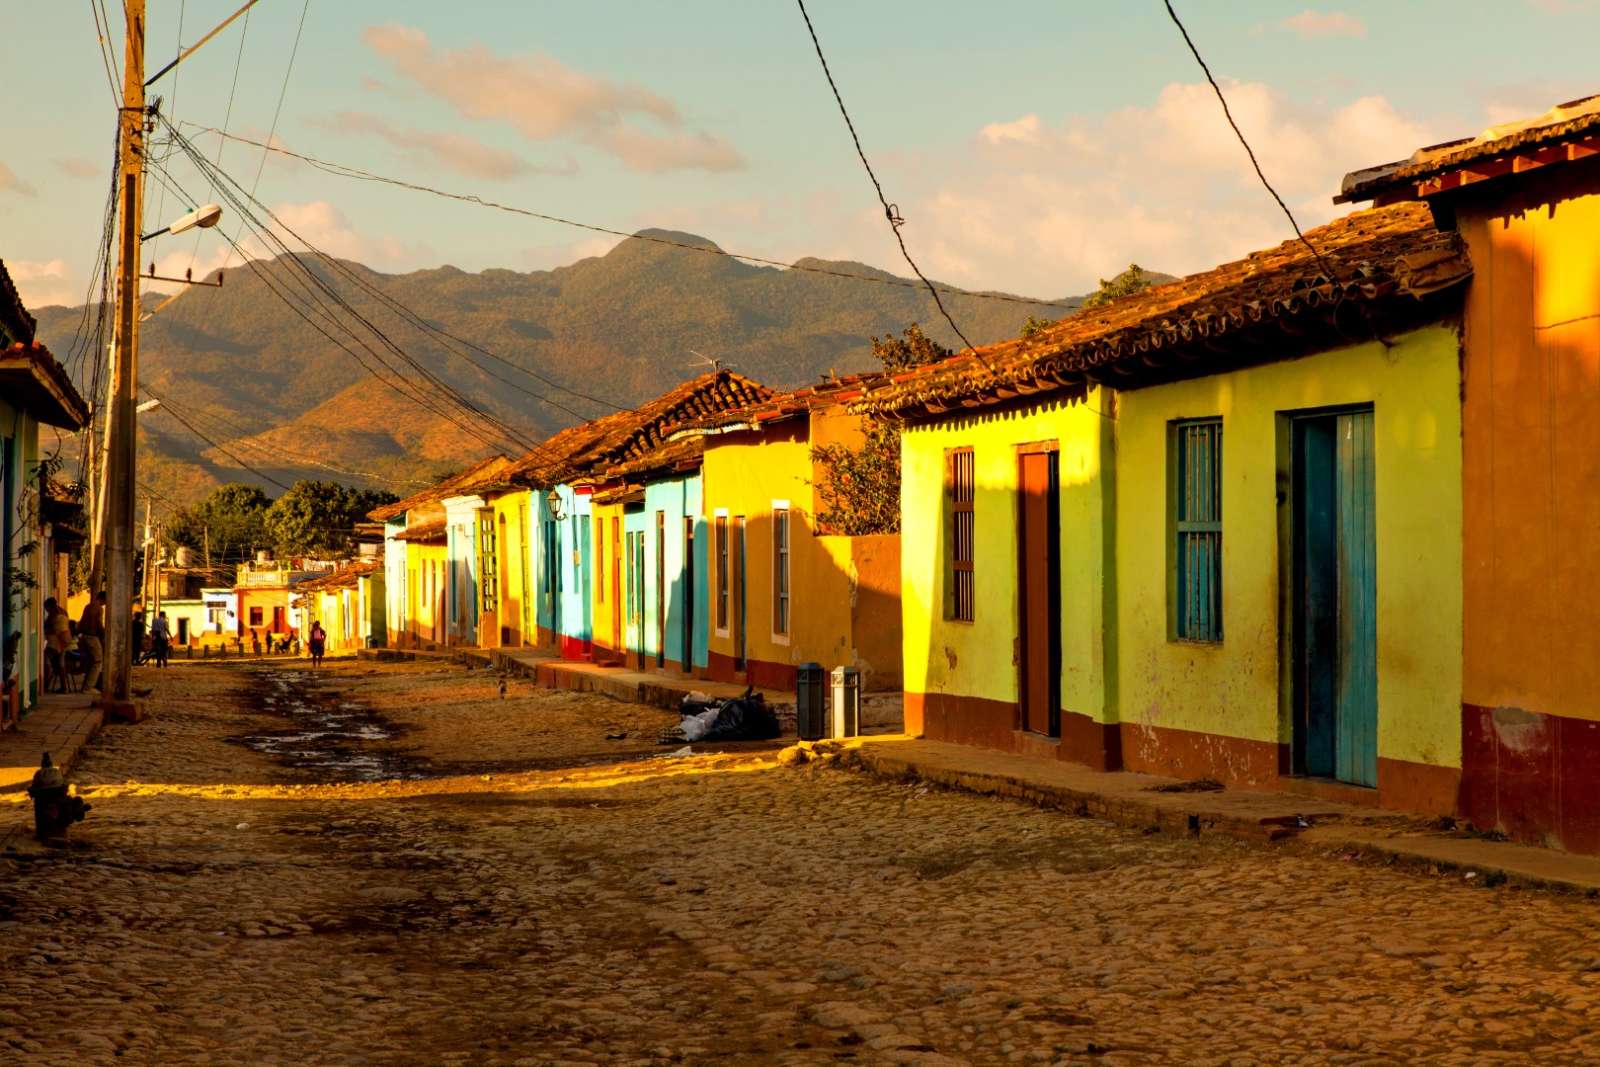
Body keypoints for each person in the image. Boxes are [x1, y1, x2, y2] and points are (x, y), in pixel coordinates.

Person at [78, 591, 106, 693]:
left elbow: (81, 622)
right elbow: (98, 623)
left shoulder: (88, 606)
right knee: (97, 661)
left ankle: (85, 686)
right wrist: (103, 633)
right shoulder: (99, 608)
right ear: (103, 599)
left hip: (84, 636)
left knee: (90, 662)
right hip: (92, 636)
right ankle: (88, 687)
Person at [42, 598, 71, 693]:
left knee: (47, 661)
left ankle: (46, 684)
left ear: (50, 606)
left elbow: (56, 629)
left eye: (46, 608)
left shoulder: (54, 615)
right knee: (60, 664)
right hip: (63, 642)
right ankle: (64, 687)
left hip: (55, 643)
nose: (46, 610)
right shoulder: (63, 612)